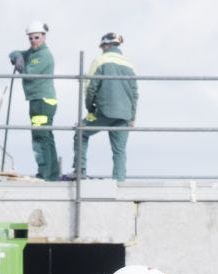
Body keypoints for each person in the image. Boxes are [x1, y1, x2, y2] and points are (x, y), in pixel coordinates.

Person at [69, 32, 137, 182]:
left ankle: (80, 170)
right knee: (119, 151)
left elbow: (90, 87)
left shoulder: (100, 61)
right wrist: (132, 117)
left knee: (81, 131)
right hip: (125, 114)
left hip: (105, 111)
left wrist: (90, 108)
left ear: (106, 45)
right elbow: (134, 93)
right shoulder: (129, 64)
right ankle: (119, 182)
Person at [8, 22, 60, 181]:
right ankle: (52, 174)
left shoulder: (43, 55)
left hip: (42, 102)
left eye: (36, 37)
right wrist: (17, 56)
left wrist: (20, 65)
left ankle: (45, 174)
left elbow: (29, 73)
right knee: (46, 136)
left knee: (40, 136)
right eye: (30, 38)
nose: (33, 41)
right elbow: (15, 52)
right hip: (40, 100)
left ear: (44, 37)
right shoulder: (33, 52)